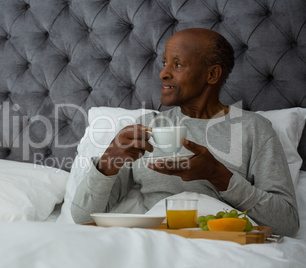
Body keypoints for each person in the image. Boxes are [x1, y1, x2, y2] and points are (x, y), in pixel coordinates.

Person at [71, 28, 299, 237]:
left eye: (177, 64)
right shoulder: (147, 128)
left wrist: (218, 176)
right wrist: (109, 160)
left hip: (220, 244)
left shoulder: (253, 129)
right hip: (156, 242)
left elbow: (287, 223)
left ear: (212, 75)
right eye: (164, 63)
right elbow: (82, 217)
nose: (163, 74)